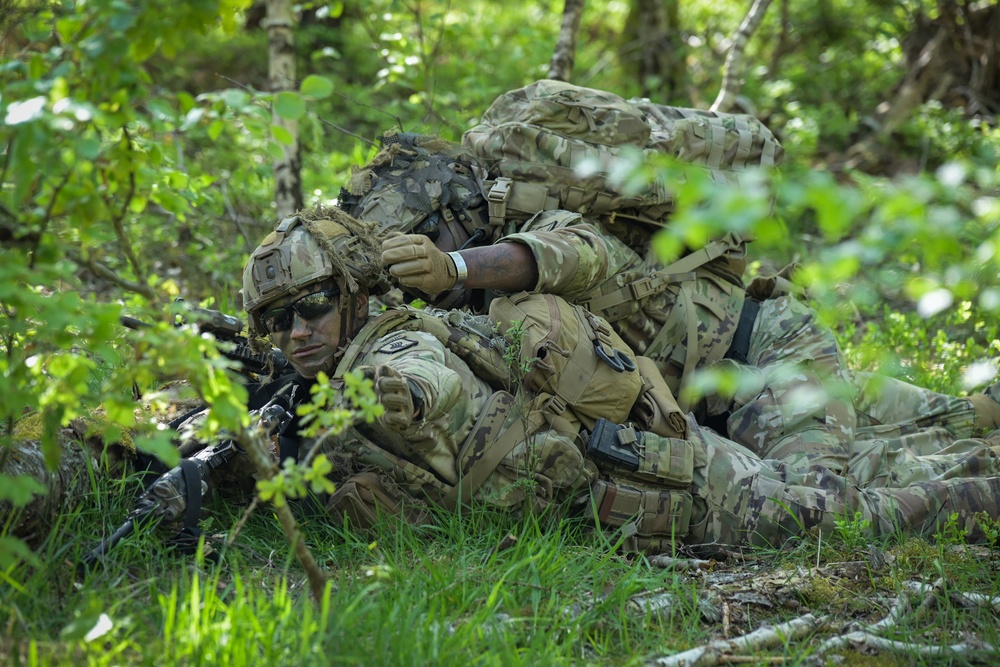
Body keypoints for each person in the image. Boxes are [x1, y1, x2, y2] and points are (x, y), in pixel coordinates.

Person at [235, 206, 1000, 554]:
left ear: (356, 293)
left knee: (842, 514)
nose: (297, 331)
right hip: (671, 450)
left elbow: (423, 381)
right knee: (880, 451)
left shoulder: (392, 351)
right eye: (278, 321)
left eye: (311, 307)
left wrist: (407, 395)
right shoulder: (337, 377)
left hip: (704, 433)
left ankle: (983, 480)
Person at [338, 132, 1000, 475]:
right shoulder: (467, 315)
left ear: (457, 220)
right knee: (960, 414)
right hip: (728, 394)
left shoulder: (549, 230)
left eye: (427, 238)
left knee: (821, 500)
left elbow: (561, 258)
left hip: (766, 350)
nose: (414, 257)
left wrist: (453, 267)